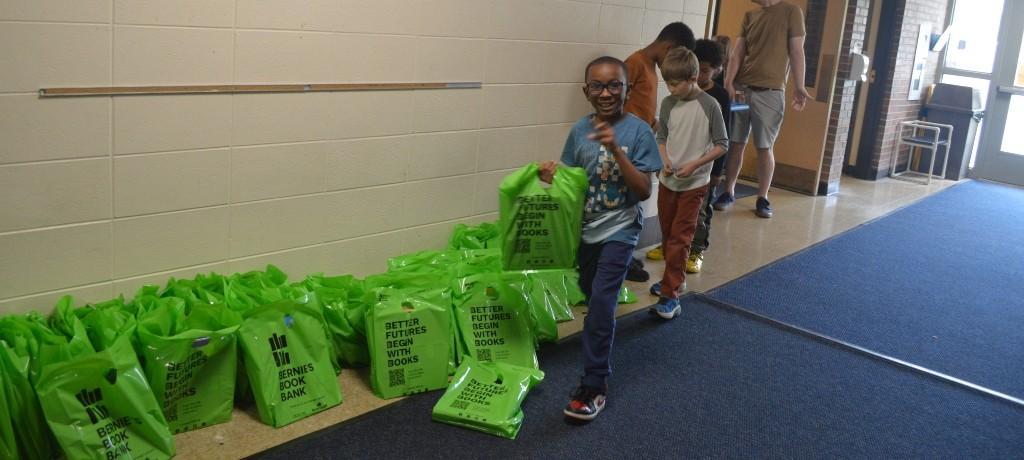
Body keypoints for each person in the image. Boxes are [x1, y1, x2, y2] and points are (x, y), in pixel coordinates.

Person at [539, 56, 661, 421]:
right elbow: (572, 181)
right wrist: (550, 177)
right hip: (586, 231)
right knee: (591, 294)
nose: (606, 93)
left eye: (614, 86)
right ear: (586, 91)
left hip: (621, 230)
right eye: (598, 86)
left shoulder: (639, 131)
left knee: (603, 305)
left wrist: (616, 151)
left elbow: (642, 190)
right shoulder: (579, 131)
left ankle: (593, 385)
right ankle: (598, 340)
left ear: (626, 89)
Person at [647, 47, 728, 318]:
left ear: (693, 77)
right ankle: (675, 278)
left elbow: (721, 145)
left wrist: (695, 164)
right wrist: (664, 160)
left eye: (675, 83)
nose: (670, 88)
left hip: (695, 185)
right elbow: (662, 137)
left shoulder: (710, 105)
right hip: (668, 180)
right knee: (669, 235)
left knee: (681, 238)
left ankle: (671, 295)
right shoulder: (669, 103)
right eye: (667, 82)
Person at [714, 0, 809, 218]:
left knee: (765, 146)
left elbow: (797, 51)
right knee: (735, 143)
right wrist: (728, 82)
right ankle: (728, 191)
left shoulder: (791, 12)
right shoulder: (750, 15)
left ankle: (762, 197)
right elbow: (738, 52)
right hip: (741, 88)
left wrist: (799, 86)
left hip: (770, 91)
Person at [619, 22, 695, 262]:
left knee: (635, 202)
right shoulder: (635, 63)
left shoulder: (650, 67)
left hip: (640, 143)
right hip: (626, 145)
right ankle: (622, 256)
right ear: (669, 47)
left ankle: (627, 255)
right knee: (625, 200)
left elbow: (639, 106)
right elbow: (617, 99)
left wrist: (653, 123)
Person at [687, 39, 733, 274]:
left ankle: (696, 249)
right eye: (696, 68)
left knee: (701, 209)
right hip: (684, 162)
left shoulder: (720, 96)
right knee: (677, 208)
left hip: (706, 164)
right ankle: (671, 246)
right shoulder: (685, 90)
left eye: (705, 70)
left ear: (717, 70)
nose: (700, 75)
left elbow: (723, 136)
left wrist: (717, 171)